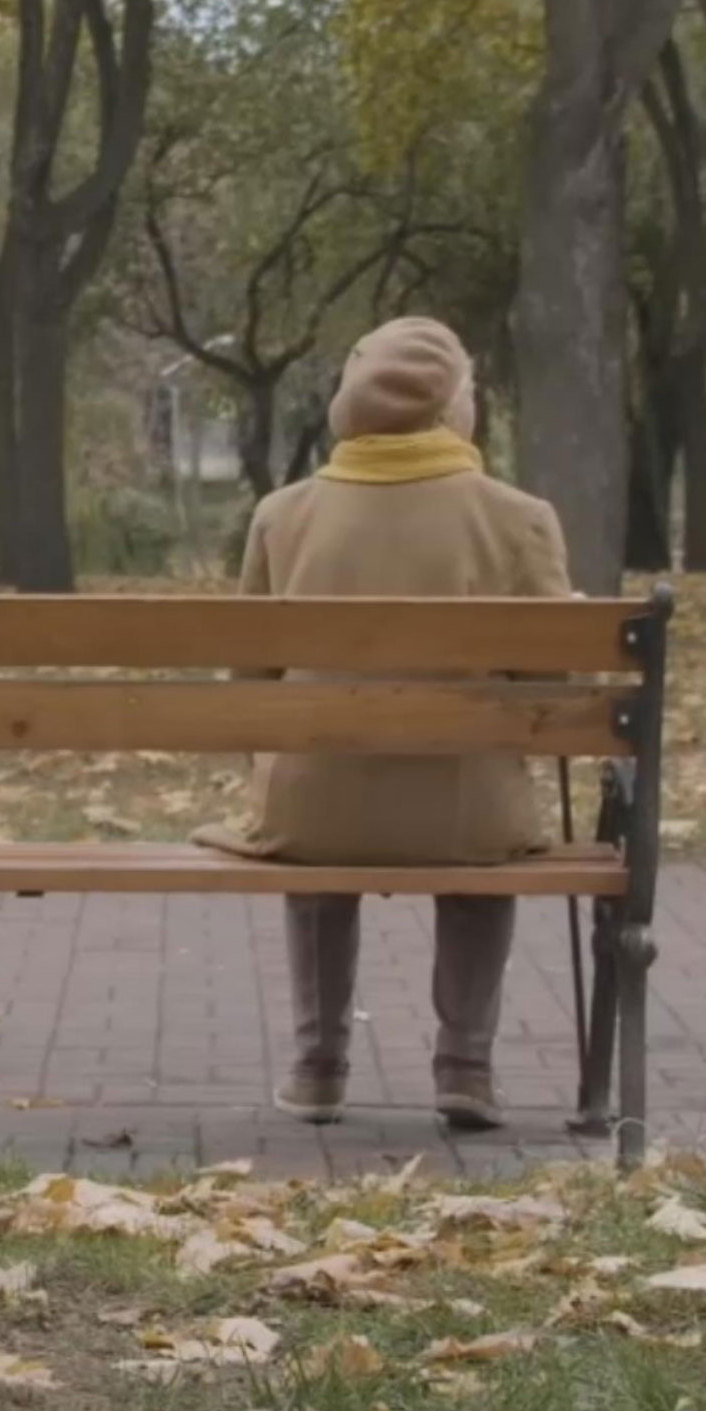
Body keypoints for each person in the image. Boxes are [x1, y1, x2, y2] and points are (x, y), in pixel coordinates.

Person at [192, 316, 570, 1132]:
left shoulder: (280, 514)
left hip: (312, 811)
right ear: (452, 408)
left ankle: (318, 1063)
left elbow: (249, 684)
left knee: (314, 809)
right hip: (466, 813)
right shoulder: (519, 518)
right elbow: (549, 690)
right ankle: (465, 1064)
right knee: (483, 848)